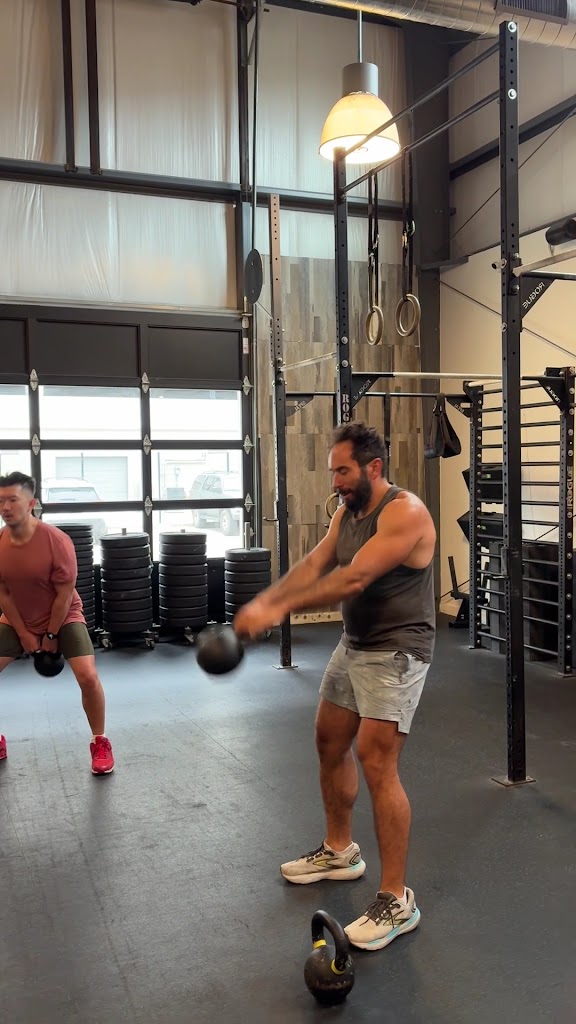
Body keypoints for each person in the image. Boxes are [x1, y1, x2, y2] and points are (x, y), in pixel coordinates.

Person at [234, 421, 436, 952]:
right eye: (333, 472)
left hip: (398, 649)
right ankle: (340, 850)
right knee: (329, 740)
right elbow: (318, 563)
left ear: (374, 467)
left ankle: (397, 899)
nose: (336, 482)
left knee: (377, 760)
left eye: (343, 471)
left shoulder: (405, 512)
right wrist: (269, 597)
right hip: (355, 643)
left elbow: (352, 578)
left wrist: (276, 611)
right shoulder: (347, 513)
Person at [0, 472, 114, 775]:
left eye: (13, 500)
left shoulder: (56, 541)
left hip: (63, 616)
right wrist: (24, 633)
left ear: (32, 504)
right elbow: (4, 593)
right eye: (1, 501)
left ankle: (100, 741)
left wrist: (51, 635)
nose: (6, 507)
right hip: (18, 618)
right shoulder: (0, 542)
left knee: (88, 675)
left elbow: (65, 594)